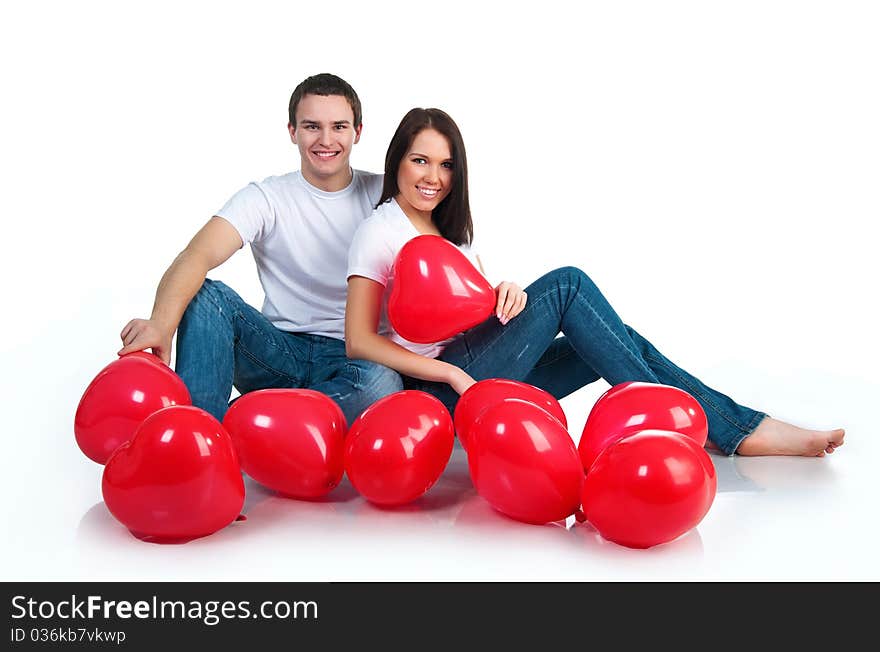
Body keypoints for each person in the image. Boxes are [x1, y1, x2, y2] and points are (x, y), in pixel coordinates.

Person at [345, 108, 845, 457]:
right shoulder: (380, 230)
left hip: (484, 377)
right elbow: (358, 340)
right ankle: (720, 428)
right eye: (420, 160)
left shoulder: (452, 234)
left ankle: (731, 427)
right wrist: (452, 376)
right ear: (397, 162)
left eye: (446, 164)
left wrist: (506, 294)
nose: (434, 176)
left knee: (614, 336)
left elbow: (464, 310)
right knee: (568, 287)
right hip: (444, 391)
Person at [118, 73, 402, 424]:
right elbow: (197, 255)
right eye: (312, 126)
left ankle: (251, 423)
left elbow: (443, 248)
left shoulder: (387, 195)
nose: (326, 139)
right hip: (277, 352)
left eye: (339, 127)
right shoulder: (266, 197)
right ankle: (201, 433)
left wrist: (489, 288)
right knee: (206, 296)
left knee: (385, 383)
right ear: (292, 131)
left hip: (353, 359)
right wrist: (161, 324)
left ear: (357, 132)